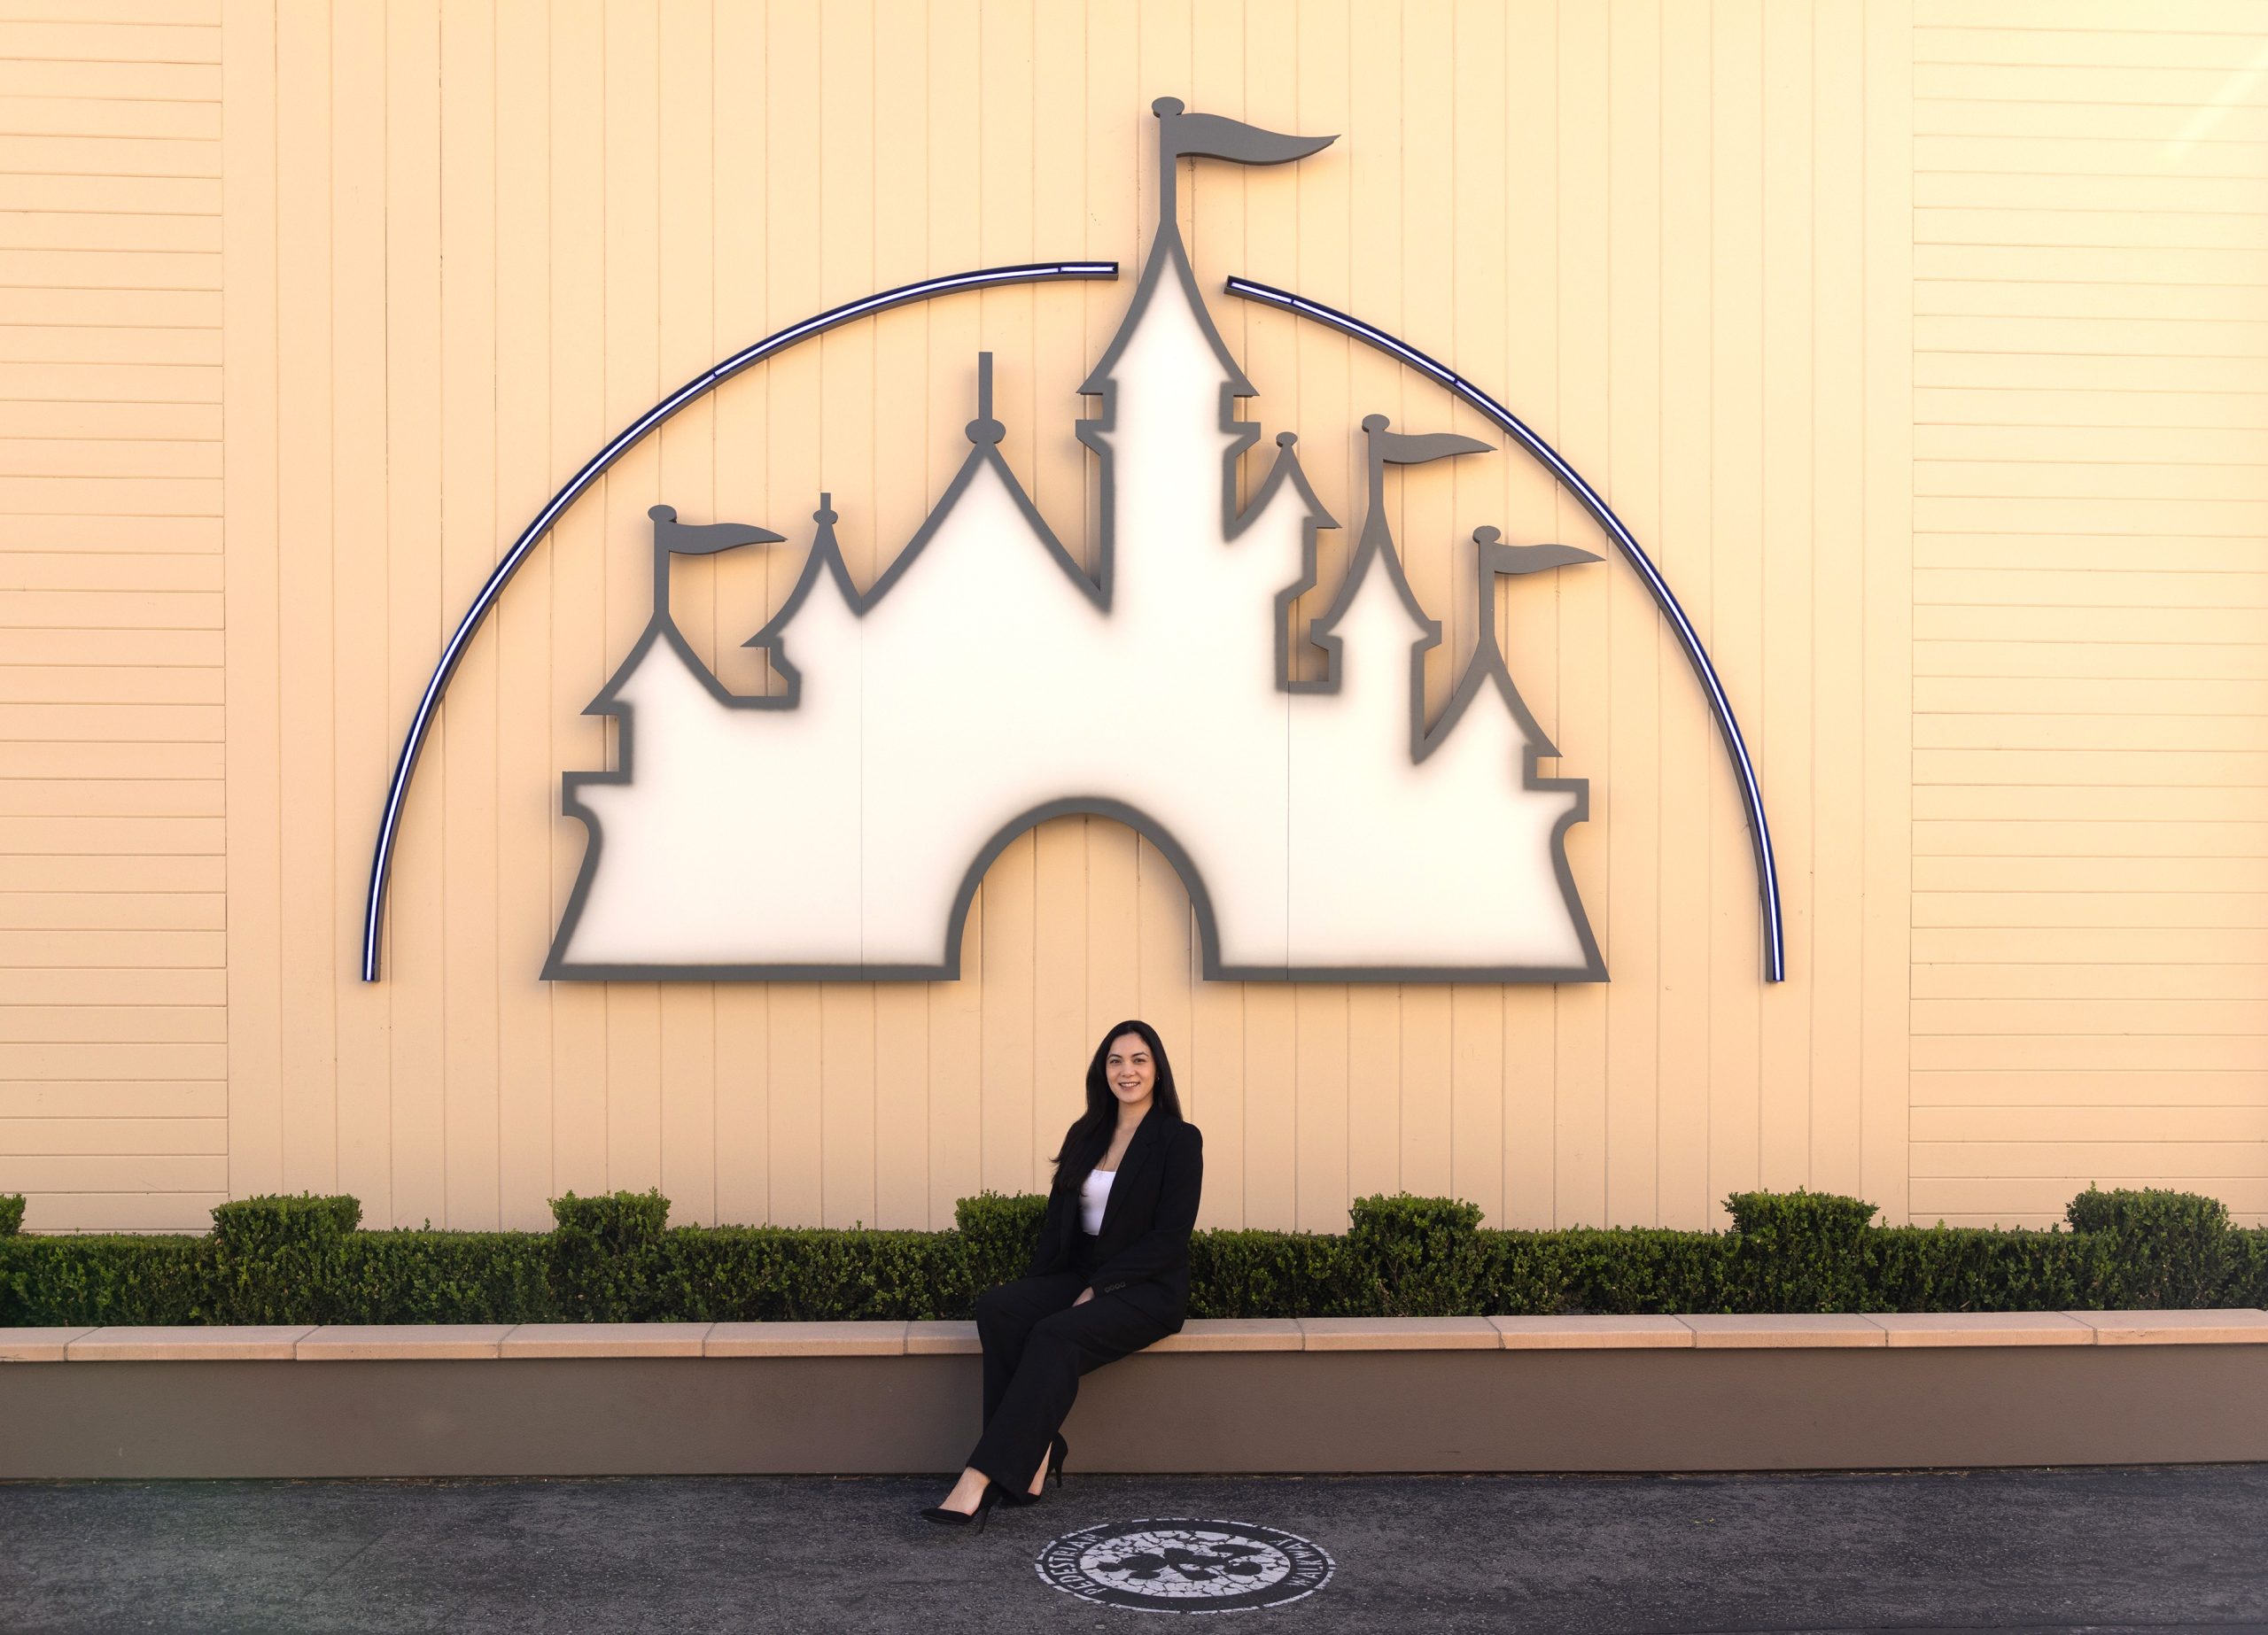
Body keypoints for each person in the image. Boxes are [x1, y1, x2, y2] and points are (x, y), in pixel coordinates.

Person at [920, 1018, 1204, 1530]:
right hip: (1081, 1271)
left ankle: (978, 1478)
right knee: (1001, 1308)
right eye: (1116, 1061)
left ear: (1158, 1070)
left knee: (1055, 1335)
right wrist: (1038, 1288)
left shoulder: (1178, 1140)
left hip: (1147, 1288)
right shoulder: (1086, 1132)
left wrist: (1100, 1288)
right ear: (1103, 1071)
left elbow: (1170, 1238)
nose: (1128, 1071)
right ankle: (1038, 1448)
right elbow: (1059, 1226)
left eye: (1139, 1060)